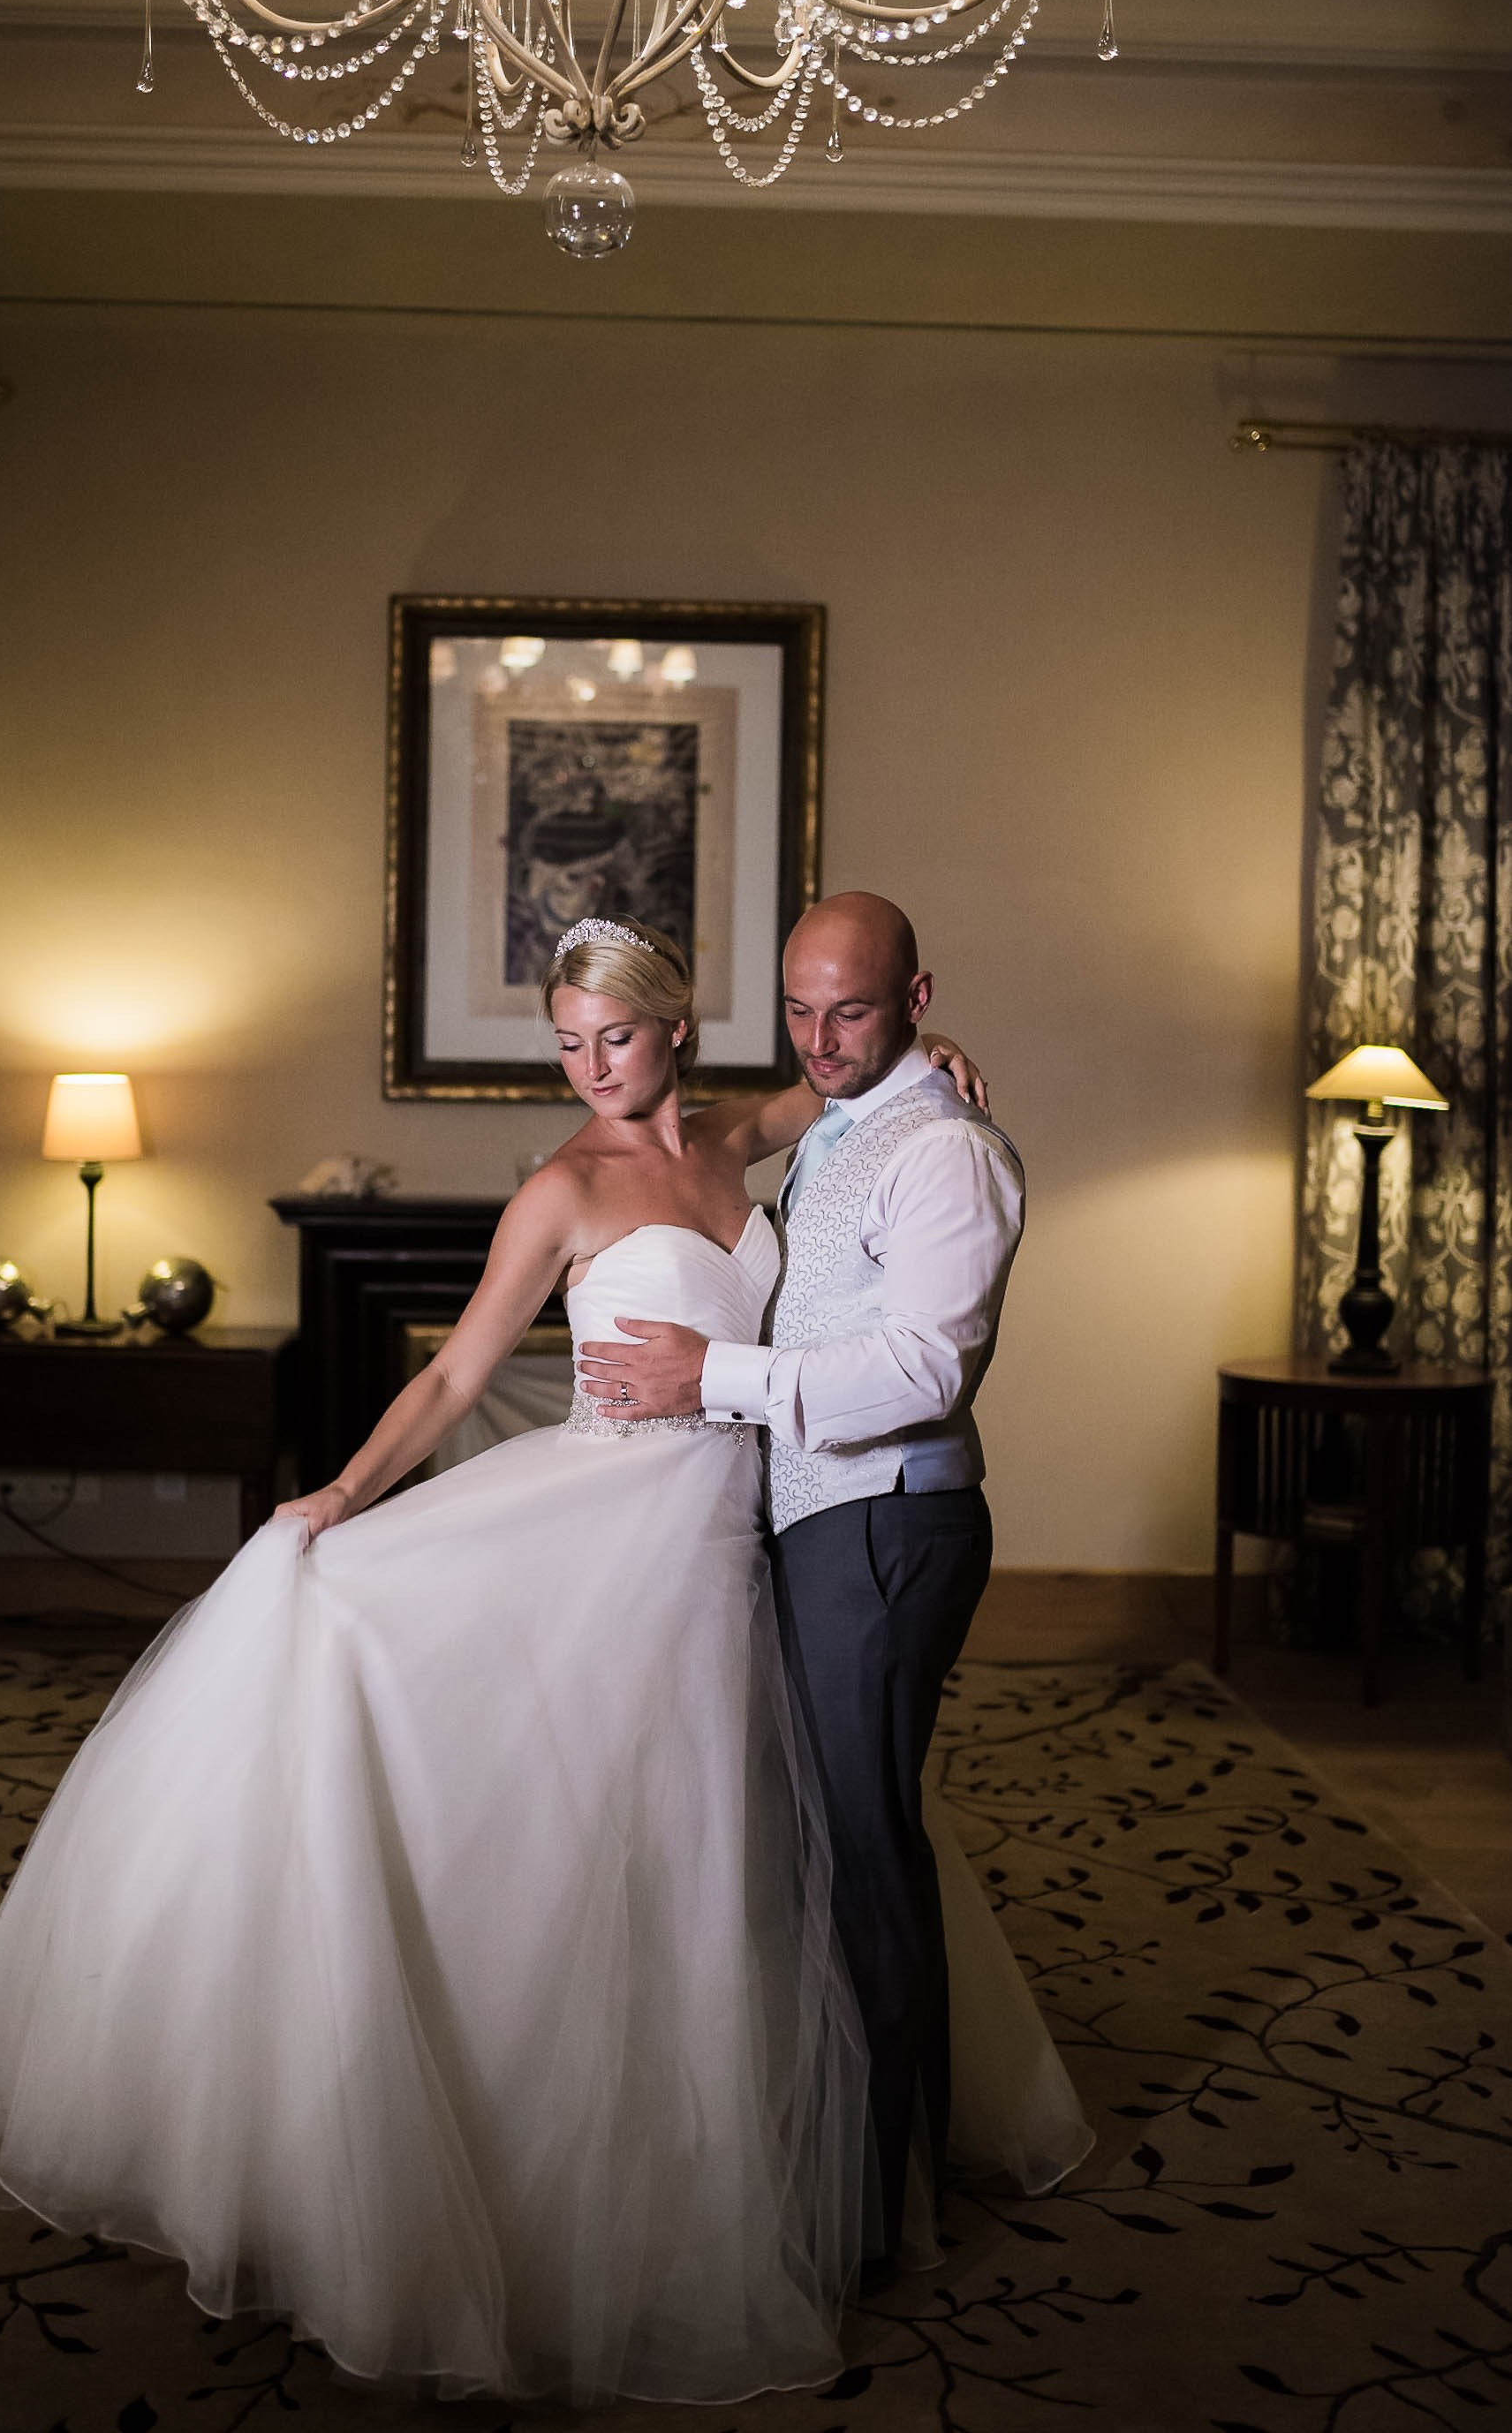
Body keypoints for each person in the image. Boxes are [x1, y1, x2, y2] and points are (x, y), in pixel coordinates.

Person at [0, 915, 1085, 2404]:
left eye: (618, 1039)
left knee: (730, 1838)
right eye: (569, 1046)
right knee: (575, 1820)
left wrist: (932, 1056)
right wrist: (342, 1494)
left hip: (742, 1529)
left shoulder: (743, 1128)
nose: (595, 1070)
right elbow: (460, 1366)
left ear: (677, 1031)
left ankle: (765, 2149)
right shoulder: (564, 1186)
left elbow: (852, 1088)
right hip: (615, 1519)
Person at [578, 892, 1044, 2276]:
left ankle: (884, 2204)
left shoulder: (947, 1151)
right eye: (800, 1009)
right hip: (815, 1522)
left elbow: (923, 1372)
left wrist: (703, 1377)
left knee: (867, 1857)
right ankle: (855, 2158)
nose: (821, 1039)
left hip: (888, 1534)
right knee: (834, 1849)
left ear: (915, 994)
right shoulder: (840, 1114)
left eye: (854, 1009)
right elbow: (805, 1117)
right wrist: (890, 1055)